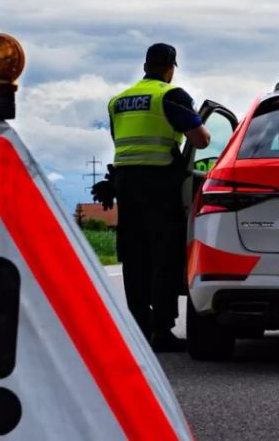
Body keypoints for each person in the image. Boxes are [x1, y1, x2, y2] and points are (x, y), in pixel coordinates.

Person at [102, 43, 210, 352]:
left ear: (145, 65)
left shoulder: (118, 101)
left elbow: (120, 141)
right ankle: (161, 330)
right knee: (164, 255)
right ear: (170, 67)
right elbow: (200, 140)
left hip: (125, 183)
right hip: (160, 183)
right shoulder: (170, 96)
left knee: (135, 256)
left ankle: (139, 327)